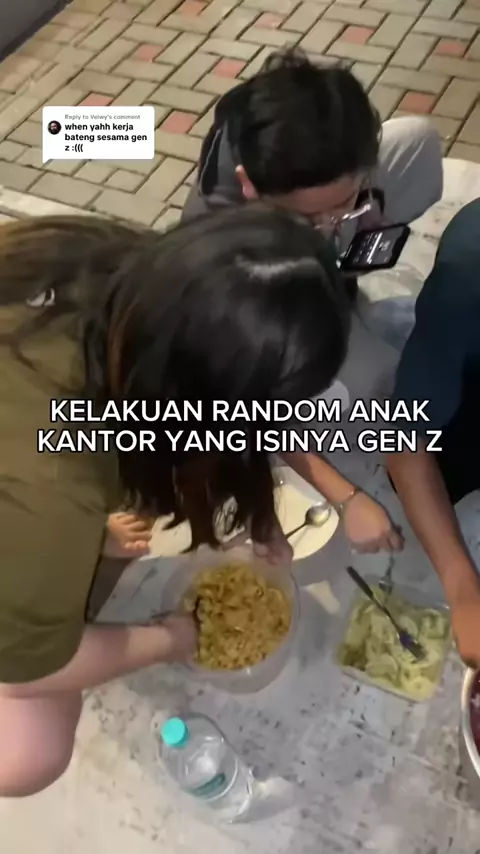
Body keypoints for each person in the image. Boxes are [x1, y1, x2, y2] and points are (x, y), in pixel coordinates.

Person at [0, 205, 350, 797]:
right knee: (28, 752)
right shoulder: (53, 480)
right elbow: (27, 672)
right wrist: (169, 638)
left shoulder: (129, 271)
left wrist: (260, 511)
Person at [184, 46, 428, 555]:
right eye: (306, 218)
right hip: (272, 303)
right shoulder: (221, 263)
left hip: (311, 275)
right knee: (370, 385)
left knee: (418, 142)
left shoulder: (323, 144)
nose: (328, 225)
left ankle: (341, 270)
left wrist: (364, 224)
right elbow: (243, 413)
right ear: (250, 187)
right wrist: (346, 495)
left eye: (343, 203)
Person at [387, 199, 480, 666]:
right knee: (431, 481)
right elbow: (404, 445)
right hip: (470, 406)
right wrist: (463, 589)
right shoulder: (466, 279)